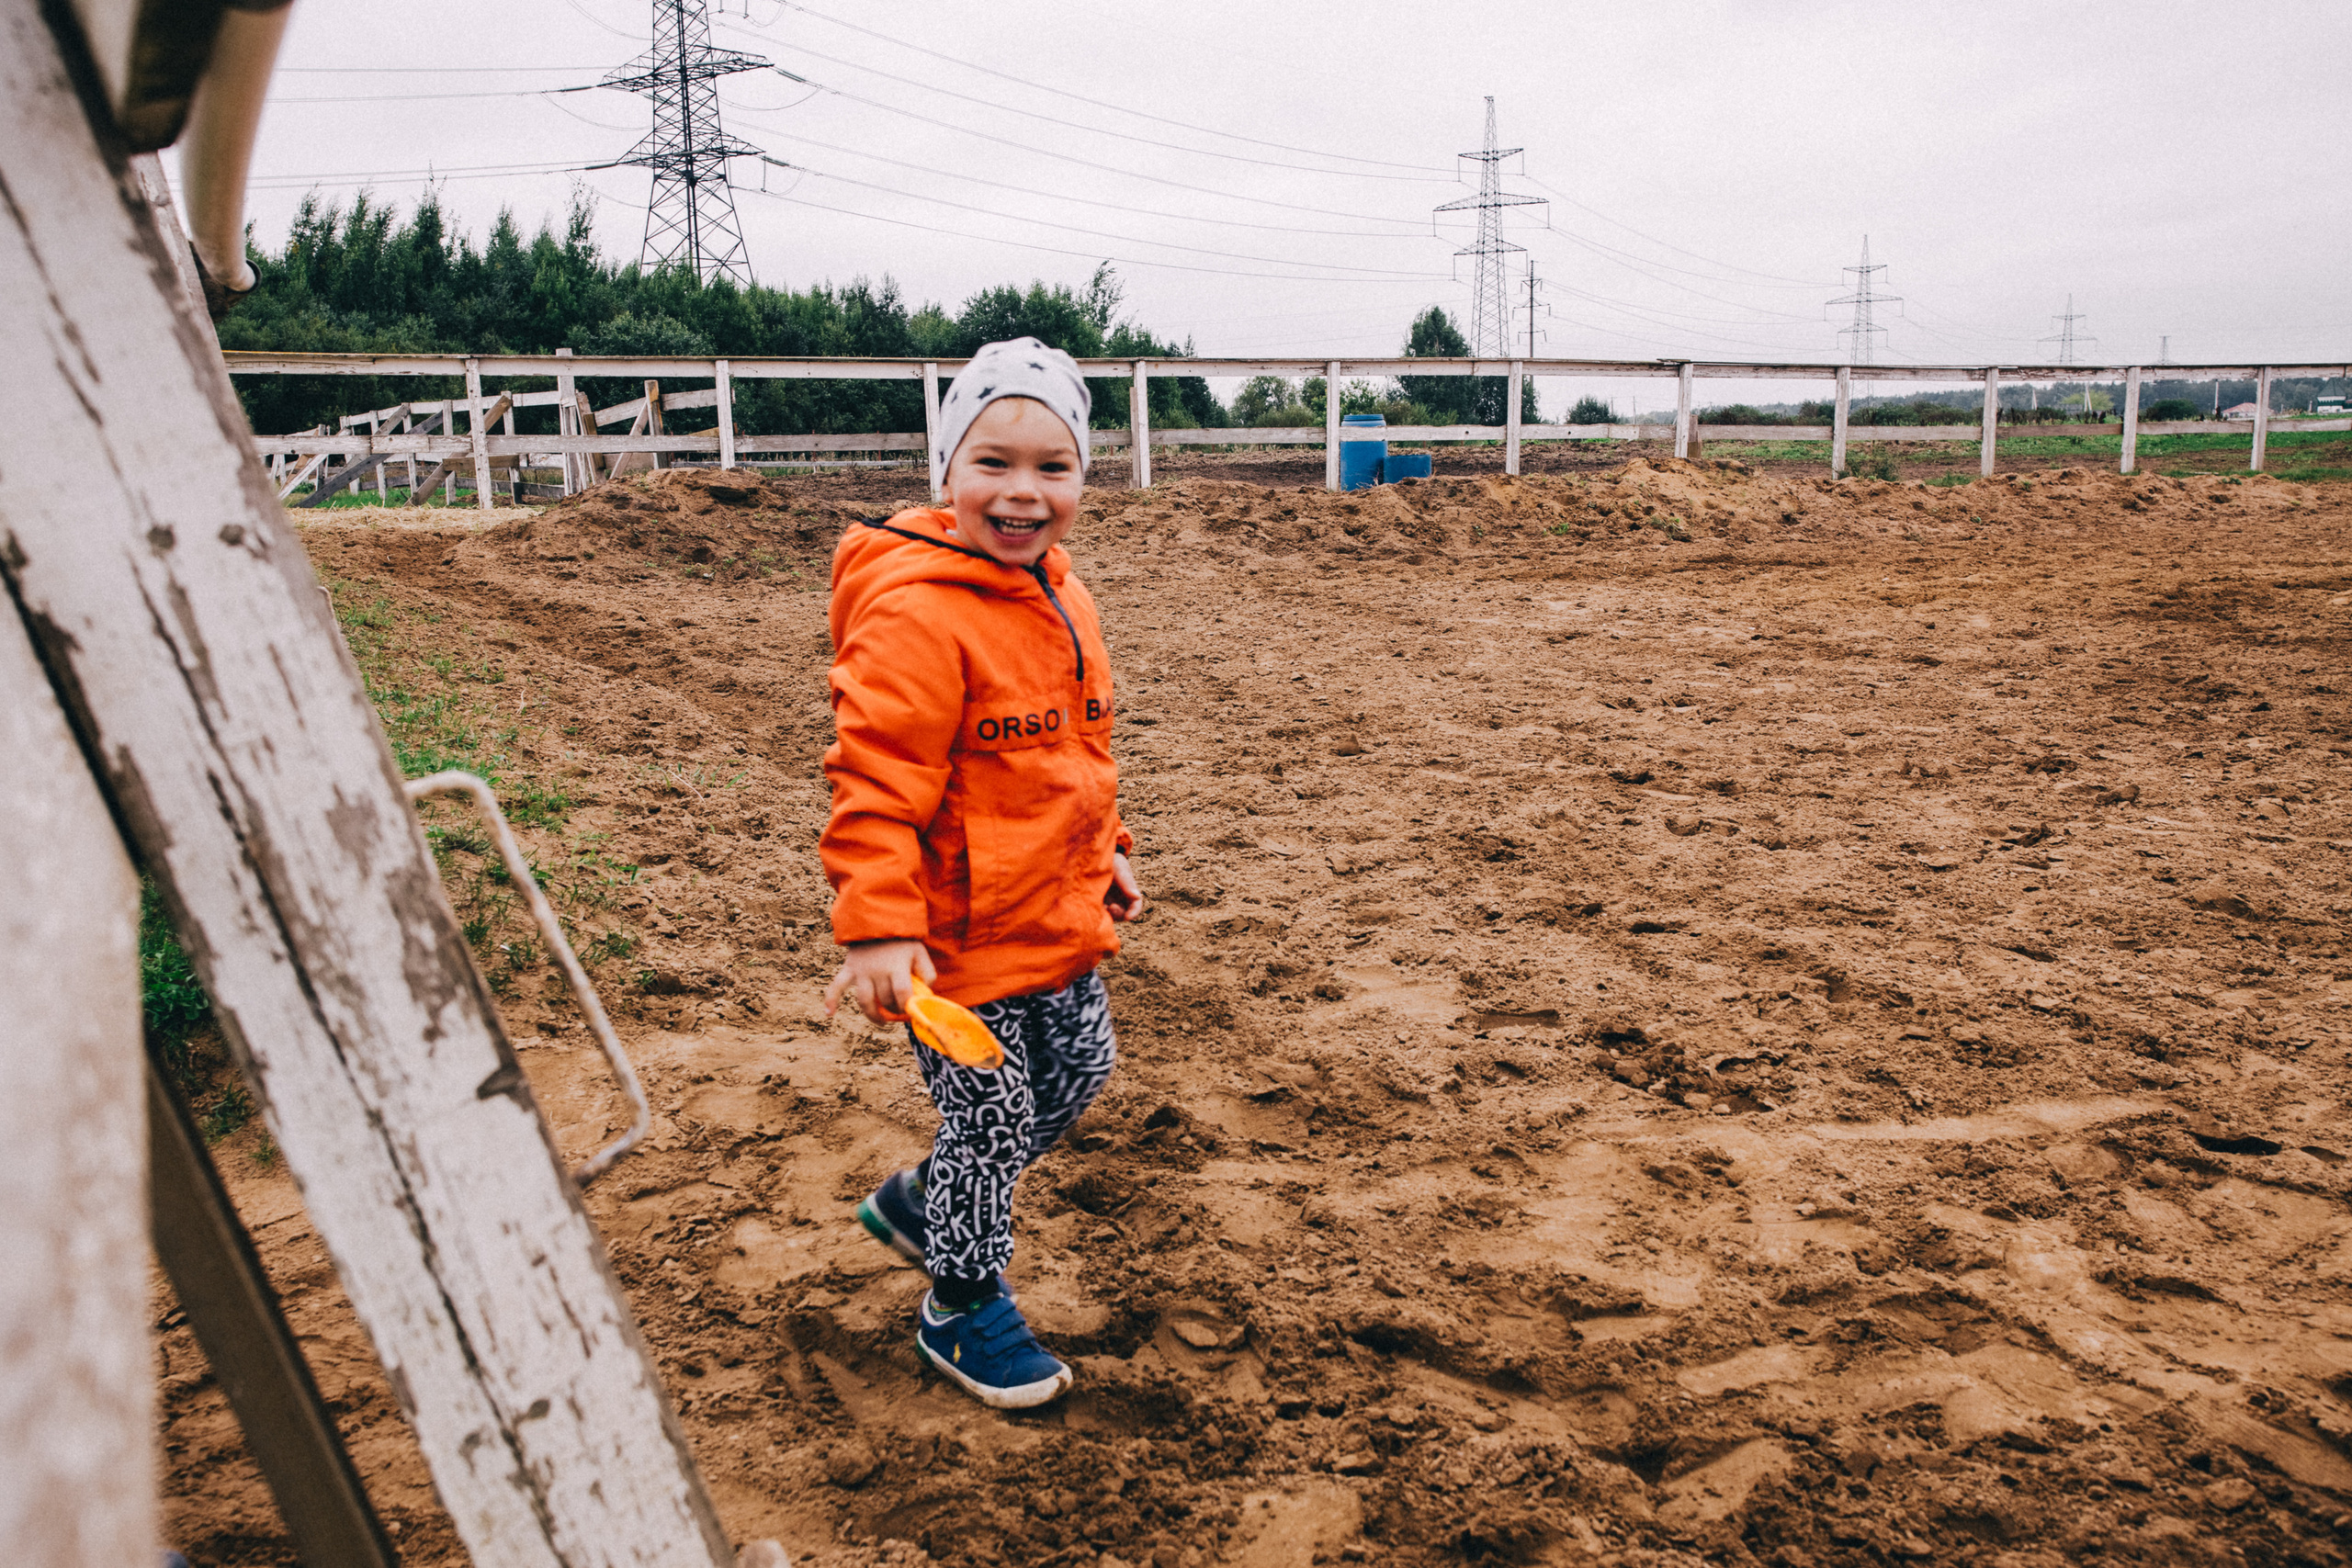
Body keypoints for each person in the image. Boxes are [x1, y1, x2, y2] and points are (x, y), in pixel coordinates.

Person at [820, 337, 1145, 1410]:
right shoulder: (915, 611)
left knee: (1079, 1076)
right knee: (993, 1119)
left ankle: (927, 1202)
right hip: (950, 941)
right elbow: (877, 778)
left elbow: (1073, 754)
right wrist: (877, 928)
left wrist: (1109, 857)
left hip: (1050, 908)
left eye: (1053, 468)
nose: (1022, 492)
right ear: (945, 470)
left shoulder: (1064, 595)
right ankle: (960, 1300)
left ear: (1083, 478)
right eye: (992, 462)